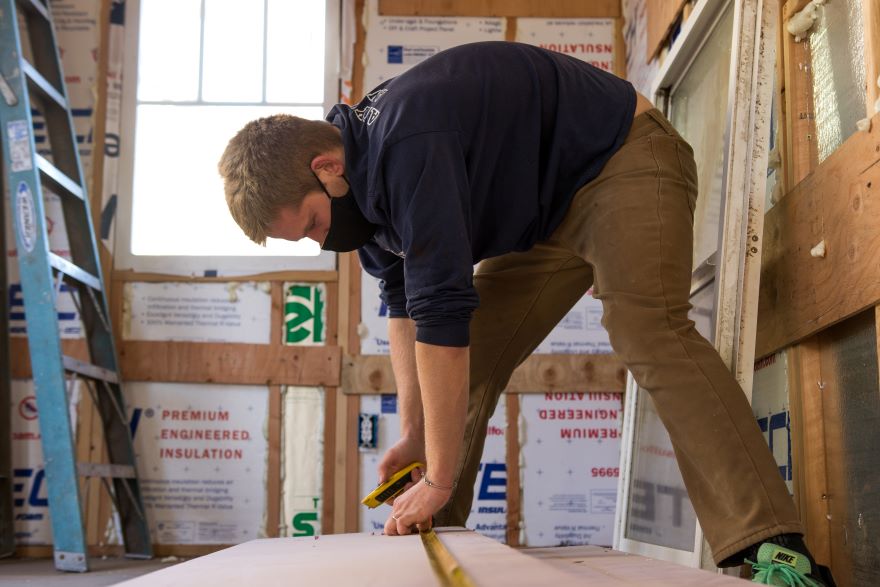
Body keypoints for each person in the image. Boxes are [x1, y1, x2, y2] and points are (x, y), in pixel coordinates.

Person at [219, 41, 833, 585]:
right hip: (545, 219)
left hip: (620, 158)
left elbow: (440, 315)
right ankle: (425, 549)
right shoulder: (361, 193)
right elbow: (404, 309)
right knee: (471, 364)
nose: (320, 241)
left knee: (649, 330)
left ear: (326, 171)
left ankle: (777, 551)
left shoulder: (406, 142)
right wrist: (414, 436)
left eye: (312, 226)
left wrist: (435, 474)